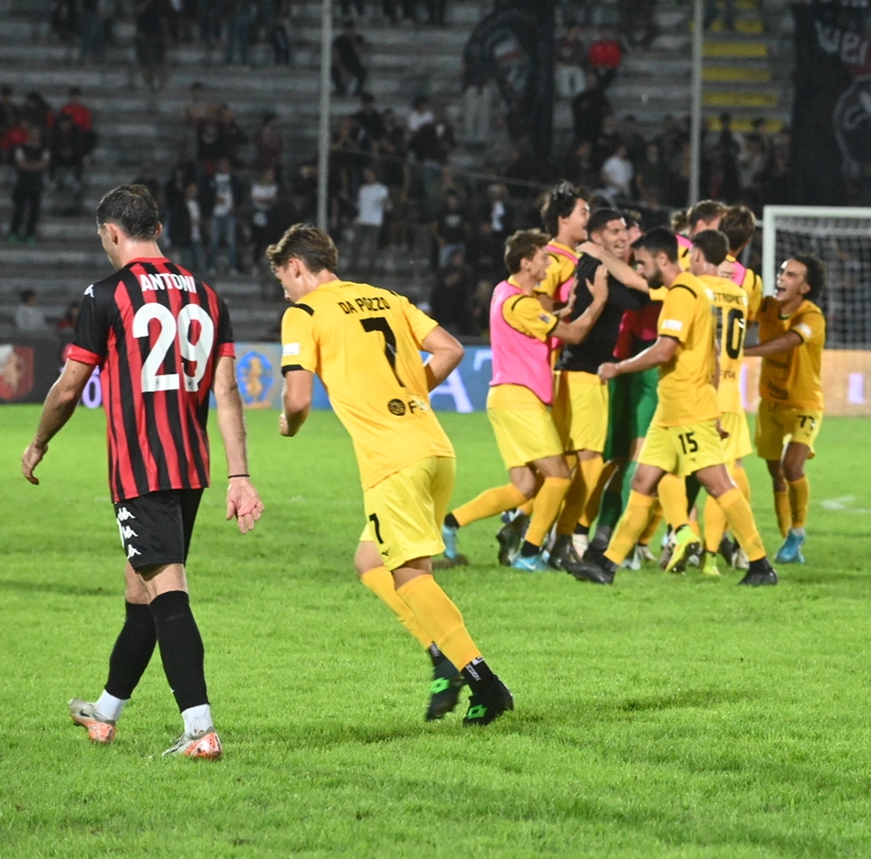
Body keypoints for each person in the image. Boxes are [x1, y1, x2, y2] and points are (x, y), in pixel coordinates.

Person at [22, 184, 264, 759]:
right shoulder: (208, 295)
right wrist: (238, 475)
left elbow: (69, 387)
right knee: (143, 592)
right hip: (190, 469)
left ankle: (200, 731)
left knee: (167, 591)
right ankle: (105, 714)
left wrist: (38, 441)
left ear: (112, 232)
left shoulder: (105, 294)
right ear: (156, 228)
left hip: (141, 469)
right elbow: (227, 392)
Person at [273, 225, 513, 725]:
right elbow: (450, 350)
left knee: (410, 577)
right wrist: (410, 396)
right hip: (434, 448)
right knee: (370, 561)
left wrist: (289, 425)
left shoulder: (304, 313)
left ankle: (483, 682)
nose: (285, 291)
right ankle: (438, 651)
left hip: (393, 460)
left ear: (296, 267)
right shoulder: (385, 298)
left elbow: (297, 400)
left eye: (284, 280)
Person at [567, 228, 777, 587]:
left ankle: (760, 565)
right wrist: (713, 402)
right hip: (673, 410)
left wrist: (618, 367)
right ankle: (607, 565)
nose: (641, 268)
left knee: (719, 485)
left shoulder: (682, 293)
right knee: (644, 483)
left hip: (687, 410)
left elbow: (665, 350)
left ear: (662, 259)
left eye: (644, 262)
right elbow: (711, 352)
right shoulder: (696, 291)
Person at [442, 230, 610, 571]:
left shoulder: (505, 293)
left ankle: (449, 525)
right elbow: (574, 335)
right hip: (520, 399)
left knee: (525, 487)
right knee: (560, 476)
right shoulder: (521, 303)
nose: (549, 263)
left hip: (506, 397)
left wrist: (566, 309)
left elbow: (538, 325)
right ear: (526, 262)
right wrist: (599, 302)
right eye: (543, 258)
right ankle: (530, 555)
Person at [544, 209, 648, 567]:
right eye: (615, 232)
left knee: (572, 466)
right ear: (597, 235)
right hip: (583, 376)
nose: (623, 238)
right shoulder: (599, 270)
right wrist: (603, 256)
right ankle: (561, 539)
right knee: (588, 467)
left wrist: (601, 252)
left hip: (576, 375)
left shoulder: (594, 263)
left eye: (624, 231)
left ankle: (546, 537)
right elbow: (642, 292)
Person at [743, 254, 826, 565]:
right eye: (781, 271)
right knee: (776, 474)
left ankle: (797, 532)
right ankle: (787, 541)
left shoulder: (812, 317)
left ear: (804, 287)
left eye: (791, 275)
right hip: (771, 403)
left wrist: (741, 352)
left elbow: (787, 342)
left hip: (804, 404)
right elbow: (741, 312)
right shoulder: (767, 308)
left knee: (793, 467)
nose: (781, 277)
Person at [689, 229, 752, 574]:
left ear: (698, 255)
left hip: (701, 393)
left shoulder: (694, 289)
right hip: (732, 392)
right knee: (733, 470)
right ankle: (738, 548)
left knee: (712, 478)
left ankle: (707, 553)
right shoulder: (740, 295)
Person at [8, 128, 49, 244]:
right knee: (19, 210)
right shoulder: (21, 148)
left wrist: (29, 166)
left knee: (33, 212)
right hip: (22, 184)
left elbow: (44, 164)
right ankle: (14, 233)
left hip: (36, 184)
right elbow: (22, 164)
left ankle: (30, 234)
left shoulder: (43, 149)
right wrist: (36, 166)